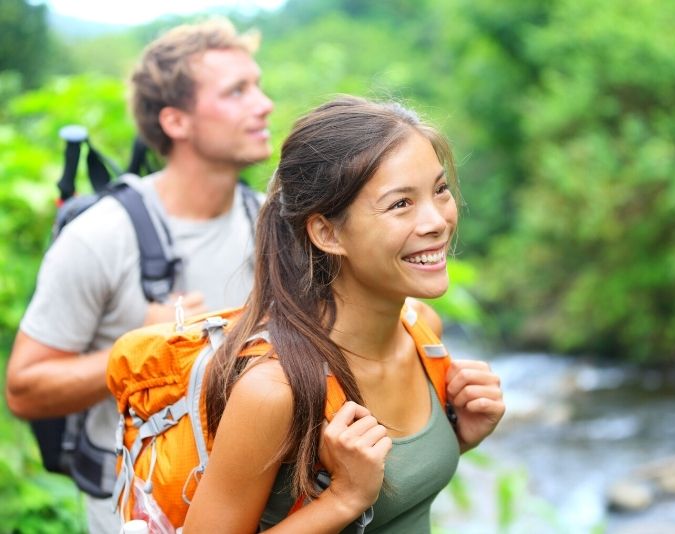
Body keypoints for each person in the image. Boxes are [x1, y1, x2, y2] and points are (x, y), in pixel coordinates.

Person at [183, 96, 505, 533]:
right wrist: (344, 498)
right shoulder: (275, 392)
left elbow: (397, 495)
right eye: (400, 204)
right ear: (327, 232)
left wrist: (456, 435)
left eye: (440, 190)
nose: (437, 221)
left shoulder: (421, 330)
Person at [5, 18, 274, 534]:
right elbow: (24, 390)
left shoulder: (271, 223)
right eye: (237, 91)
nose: (264, 104)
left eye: (258, 86)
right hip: (137, 513)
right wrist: (149, 348)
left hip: (257, 506)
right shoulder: (102, 236)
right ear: (176, 121)